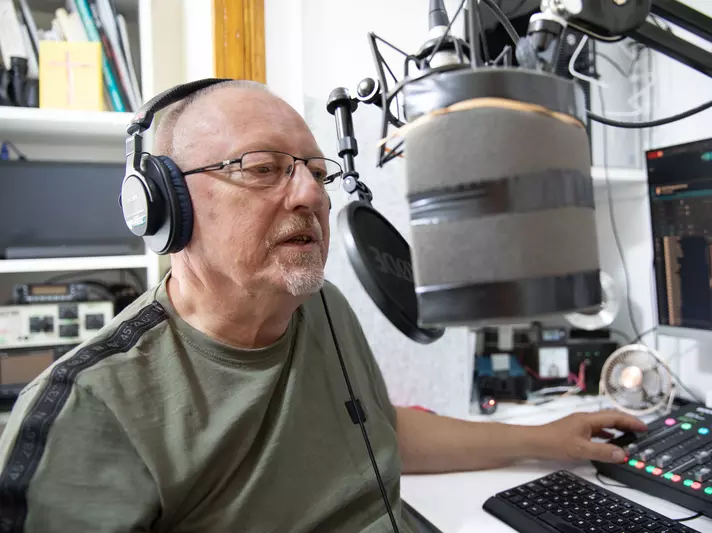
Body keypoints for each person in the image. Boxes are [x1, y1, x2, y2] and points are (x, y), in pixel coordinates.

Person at [0, 80, 646, 532]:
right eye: (262, 167)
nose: (310, 193)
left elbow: (371, 426)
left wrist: (540, 439)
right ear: (164, 204)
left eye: (316, 168)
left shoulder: (319, 304)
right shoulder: (88, 407)